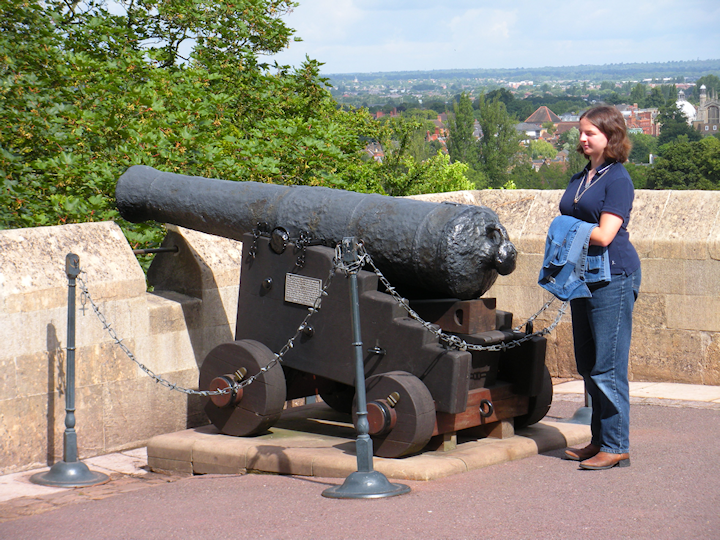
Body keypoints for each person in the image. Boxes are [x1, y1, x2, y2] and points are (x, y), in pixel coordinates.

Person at [561, 106, 641, 470]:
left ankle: (617, 444)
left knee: (608, 366)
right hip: (583, 276)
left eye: (590, 133)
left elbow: (605, 235)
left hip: (614, 277)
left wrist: (562, 231)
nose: (582, 138)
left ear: (611, 136)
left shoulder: (617, 179)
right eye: (581, 132)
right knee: (589, 364)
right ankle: (599, 440)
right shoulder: (583, 177)